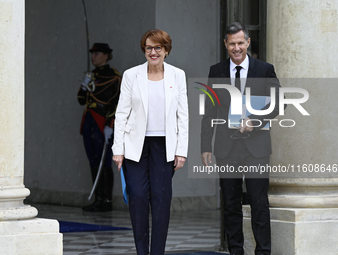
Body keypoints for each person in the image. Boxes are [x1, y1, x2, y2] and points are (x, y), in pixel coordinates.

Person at [201, 22, 282, 255]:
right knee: (231, 205)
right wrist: (205, 145)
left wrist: (254, 120)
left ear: (248, 42)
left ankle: (263, 252)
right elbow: (209, 111)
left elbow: (278, 103)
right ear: (226, 44)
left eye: (240, 43)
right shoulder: (216, 71)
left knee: (259, 203)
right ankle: (236, 252)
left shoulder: (265, 69)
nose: (236, 48)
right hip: (226, 148)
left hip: (256, 148)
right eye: (232, 44)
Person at [112, 29, 188, 255]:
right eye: (149, 48)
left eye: (158, 48)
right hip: (135, 145)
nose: (153, 52)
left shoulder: (178, 75)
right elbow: (121, 113)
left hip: (165, 146)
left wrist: (181, 150)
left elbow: (182, 115)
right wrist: (118, 149)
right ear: (144, 50)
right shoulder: (130, 75)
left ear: (166, 50)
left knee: (161, 200)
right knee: (137, 196)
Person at [77, 43, 121, 212]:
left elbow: (117, 102)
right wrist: (84, 85)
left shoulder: (113, 76)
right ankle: (98, 198)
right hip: (89, 121)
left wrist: (110, 124)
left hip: (103, 121)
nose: (93, 57)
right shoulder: (91, 75)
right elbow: (81, 100)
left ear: (106, 55)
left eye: (97, 53)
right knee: (93, 160)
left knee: (104, 161)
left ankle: (106, 200)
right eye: (92, 53)